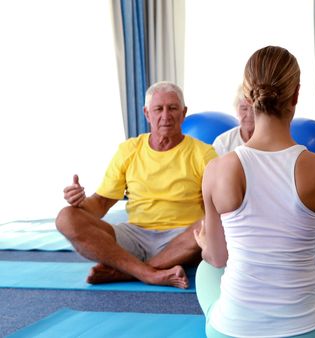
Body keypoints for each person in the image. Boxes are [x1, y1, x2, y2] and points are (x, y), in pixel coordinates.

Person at [194, 46, 315, 338]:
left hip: (229, 332)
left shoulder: (217, 169)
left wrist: (204, 244)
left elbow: (216, 258)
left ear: (248, 98)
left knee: (205, 270)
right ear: (296, 95)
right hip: (313, 331)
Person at [55, 81, 217, 289]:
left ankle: (128, 272)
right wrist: (79, 204)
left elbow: (217, 206)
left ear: (183, 113)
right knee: (66, 217)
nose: (165, 116)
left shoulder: (203, 154)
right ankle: (149, 273)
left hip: (181, 240)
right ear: (147, 113)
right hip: (135, 236)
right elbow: (101, 203)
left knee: (213, 222)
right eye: (158, 109)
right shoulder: (129, 150)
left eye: (173, 108)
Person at [212, 85, 255, 155]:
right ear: (236, 110)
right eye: (244, 108)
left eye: (254, 109)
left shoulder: (272, 140)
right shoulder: (223, 142)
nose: (249, 115)